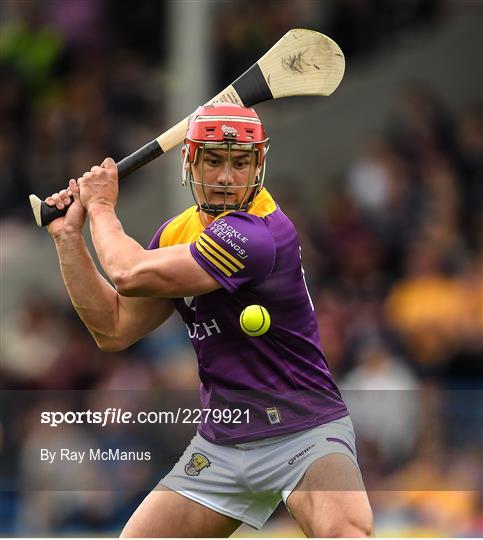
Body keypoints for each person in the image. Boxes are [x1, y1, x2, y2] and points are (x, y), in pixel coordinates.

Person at [46, 103, 373, 537]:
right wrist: (69, 237)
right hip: (221, 443)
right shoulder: (176, 233)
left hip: (303, 431)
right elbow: (115, 328)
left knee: (345, 533)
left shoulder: (259, 234)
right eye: (214, 161)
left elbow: (127, 272)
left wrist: (102, 206)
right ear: (191, 162)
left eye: (240, 163)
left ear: (259, 165)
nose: (225, 178)